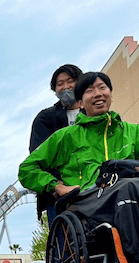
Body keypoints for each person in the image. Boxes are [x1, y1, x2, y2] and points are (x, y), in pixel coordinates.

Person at [18, 72, 139, 263]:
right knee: (127, 189)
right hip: (87, 203)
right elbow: (27, 168)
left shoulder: (135, 133)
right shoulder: (67, 137)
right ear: (80, 102)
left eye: (102, 87)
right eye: (89, 91)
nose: (98, 94)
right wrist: (57, 187)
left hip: (134, 200)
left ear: (111, 94)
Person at [29, 64, 83, 226]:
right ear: (55, 89)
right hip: (59, 195)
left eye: (70, 81)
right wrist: (56, 185)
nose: (65, 87)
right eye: (60, 84)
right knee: (64, 244)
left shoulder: (92, 114)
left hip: (92, 189)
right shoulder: (45, 118)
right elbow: (37, 156)